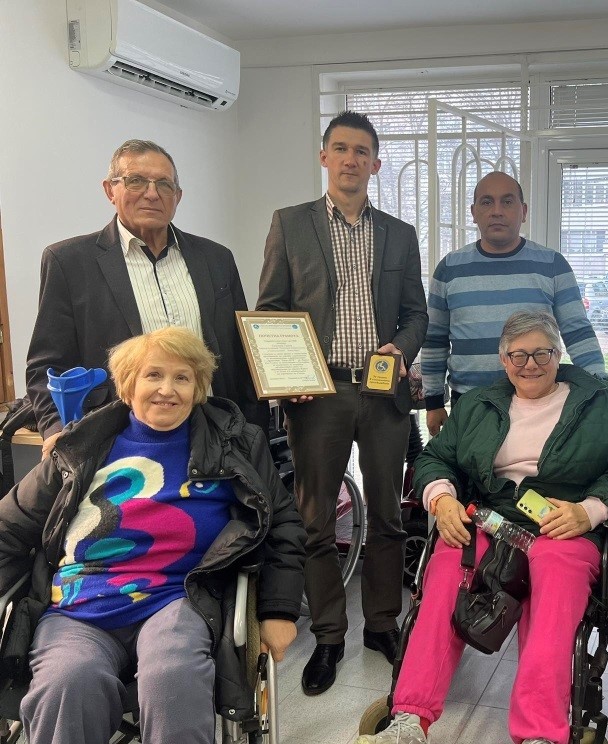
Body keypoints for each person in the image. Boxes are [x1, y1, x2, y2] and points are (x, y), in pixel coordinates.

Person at [0, 327, 306, 744]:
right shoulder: (79, 447)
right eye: (153, 375)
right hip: (78, 604)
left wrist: (279, 610)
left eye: (182, 377)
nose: (167, 389)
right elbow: (8, 527)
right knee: (68, 683)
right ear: (128, 385)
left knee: (172, 676)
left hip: (178, 597)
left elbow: (283, 521)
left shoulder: (235, 444)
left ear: (198, 388)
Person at [358, 310, 608, 744]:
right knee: (447, 572)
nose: (530, 364)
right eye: (518, 355)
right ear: (503, 360)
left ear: (558, 353)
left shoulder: (604, 403)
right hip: (489, 518)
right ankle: (409, 718)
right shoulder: (478, 405)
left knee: (556, 581)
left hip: (563, 523)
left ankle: (540, 732)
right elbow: (435, 459)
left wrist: (591, 510)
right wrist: (442, 498)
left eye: (541, 353)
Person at [257, 110, 428, 693]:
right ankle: (329, 635)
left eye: (362, 151)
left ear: (376, 164)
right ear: (324, 157)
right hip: (318, 393)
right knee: (316, 520)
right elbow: (271, 309)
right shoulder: (290, 224)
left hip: (382, 392)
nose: (351, 159)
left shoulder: (400, 234)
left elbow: (417, 314)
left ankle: (382, 624)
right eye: (341, 148)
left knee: (387, 515)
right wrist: (289, 373)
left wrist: (402, 347)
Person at [26, 139, 267, 458]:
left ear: (178, 196)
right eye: (136, 181)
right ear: (110, 190)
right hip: (117, 441)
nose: (152, 194)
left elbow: (242, 356)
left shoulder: (216, 259)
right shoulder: (68, 262)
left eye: (164, 184)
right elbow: (46, 365)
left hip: (215, 437)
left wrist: (254, 433)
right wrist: (56, 429)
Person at [421, 171, 607, 436]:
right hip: (471, 407)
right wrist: (434, 401)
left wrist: (601, 391)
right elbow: (434, 340)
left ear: (524, 211)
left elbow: (578, 332)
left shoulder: (552, 265)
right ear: (473, 212)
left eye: (507, 202)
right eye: (487, 202)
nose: (497, 211)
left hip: (539, 406)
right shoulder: (450, 269)